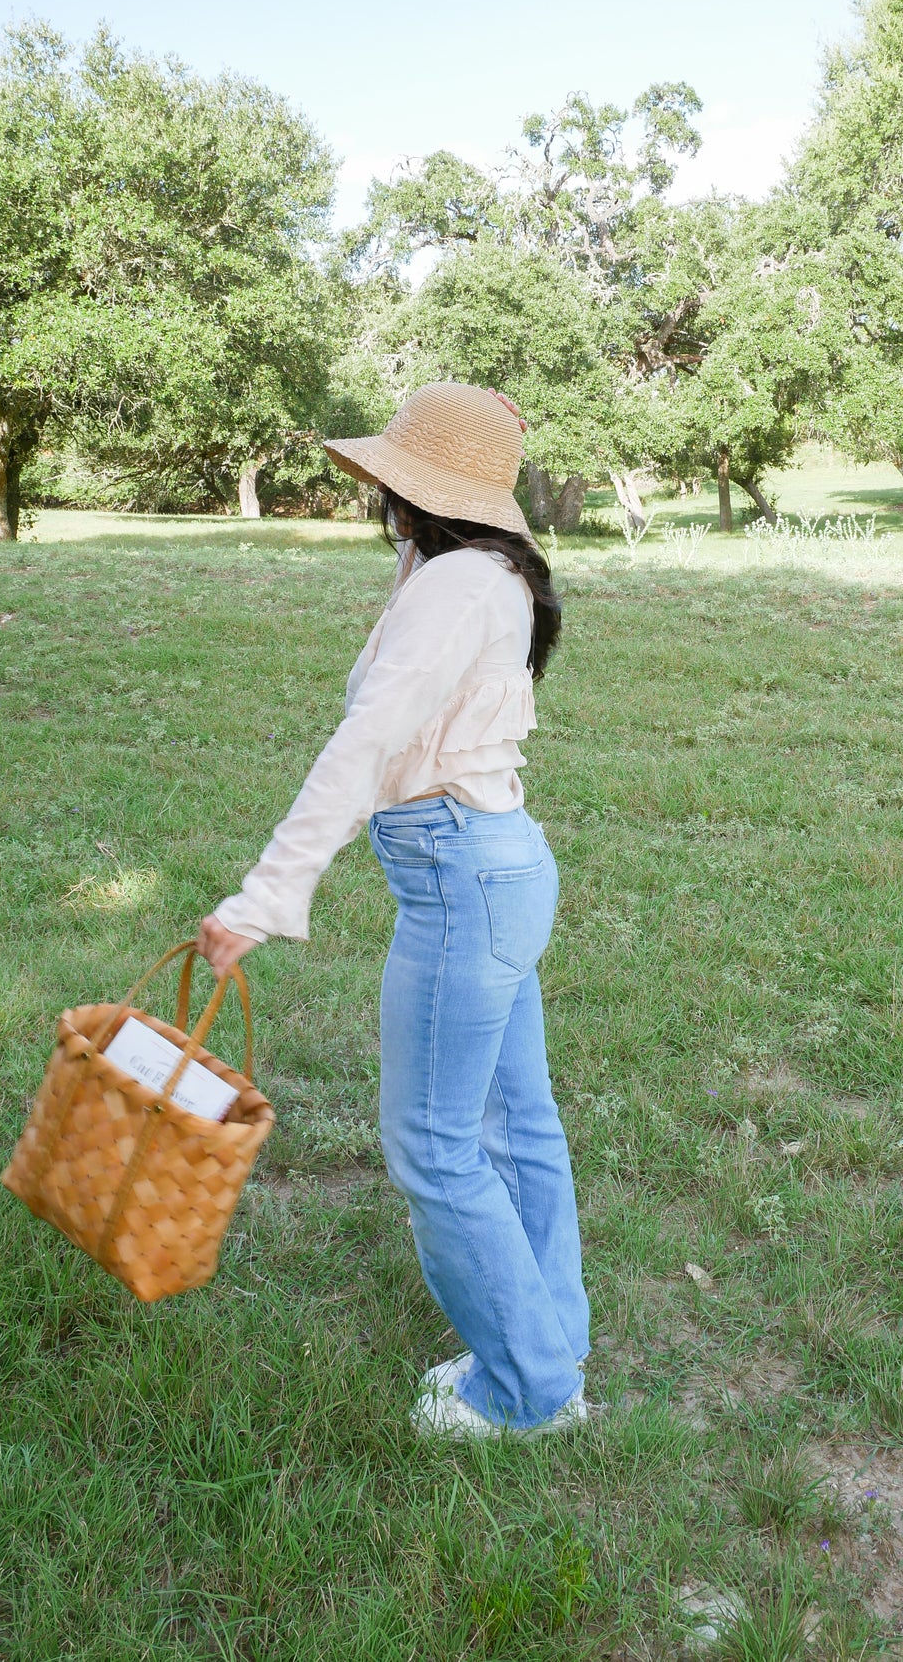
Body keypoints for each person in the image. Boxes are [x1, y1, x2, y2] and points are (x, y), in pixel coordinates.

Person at [197, 381, 590, 1439]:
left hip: (462, 881)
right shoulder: (480, 571)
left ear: (410, 488)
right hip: (496, 869)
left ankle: (524, 1392)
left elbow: (365, 743)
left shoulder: (458, 585)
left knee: (432, 1144)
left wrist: (268, 894)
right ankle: (548, 1346)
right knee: (515, 1123)